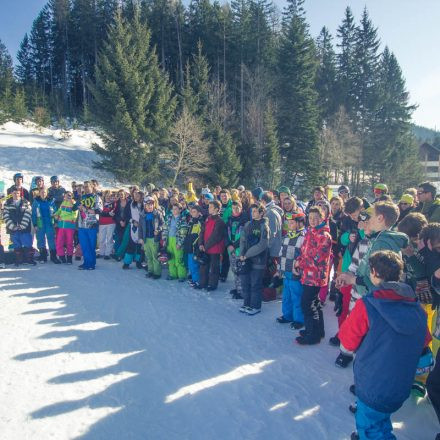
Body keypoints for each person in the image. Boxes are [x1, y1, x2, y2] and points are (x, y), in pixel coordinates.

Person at [339, 250, 429, 440]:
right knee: (379, 417)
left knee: (372, 425)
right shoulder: (417, 309)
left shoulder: (368, 305)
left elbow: (347, 341)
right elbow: (424, 341)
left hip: (373, 380)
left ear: (374, 272)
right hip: (400, 382)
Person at [295, 206, 332, 345]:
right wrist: (298, 261)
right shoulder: (310, 232)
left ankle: (312, 335)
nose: (313, 220)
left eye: (316, 218)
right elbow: (303, 251)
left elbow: (318, 257)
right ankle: (317, 330)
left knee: (307, 304)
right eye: (310, 218)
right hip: (307, 274)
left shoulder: (324, 235)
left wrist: (301, 264)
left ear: (322, 218)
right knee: (314, 302)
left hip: (316, 276)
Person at [276, 211, 306, 327]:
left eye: (292, 223)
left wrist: (300, 269)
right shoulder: (286, 236)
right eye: (289, 223)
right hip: (285, 271)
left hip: (296, 273)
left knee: (296, 296)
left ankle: (299, 319)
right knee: (286, 295)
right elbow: (281, 253)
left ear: (300, 224)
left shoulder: (303, 238)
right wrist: (279, 269)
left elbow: (304, 256)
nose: (290, 225)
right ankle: (287, 315)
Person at [239, 203, 270, 315]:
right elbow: (242, 240)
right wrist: (242, 253)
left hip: (258, 260)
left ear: (261, 213)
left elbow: (262, 244)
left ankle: (255, 306)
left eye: (255, 211)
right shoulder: (248, 224)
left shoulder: (264, 226)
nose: (253, 213)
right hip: (246, 259)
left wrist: (247, 254)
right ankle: (246, 303)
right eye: (252, 211)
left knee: (255, 283)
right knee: (245, 282)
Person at [198, 200, 226, 291]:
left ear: (217, 209)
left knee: (214, 267)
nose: (209, 209)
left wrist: (205, 246)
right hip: (205, 247)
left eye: (210, 207)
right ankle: (203, 283)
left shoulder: (220, 221)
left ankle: (212, 284)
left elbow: (216, 236)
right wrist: (201, 243)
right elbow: (202, 231)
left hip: (214, 248)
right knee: (204, 266)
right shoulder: (208, 219)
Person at [3, 189, 35, 266]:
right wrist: (12, 226)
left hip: (24, 228)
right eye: (14, 193)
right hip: (13, 228)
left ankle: (28, 259)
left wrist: (22, 225)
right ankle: (18, 260)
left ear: (20, 194)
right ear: (11, 194)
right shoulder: (7, 203)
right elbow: (6, 215)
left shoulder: (26, 202)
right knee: (17, 244)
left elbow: (28, 213)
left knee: (27, 242)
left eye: (18, 193)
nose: (16, 195)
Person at [75, 181, 102, 270]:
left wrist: (86, 209)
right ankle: (87, 262)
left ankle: (91, 263)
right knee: (84, 245)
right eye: (84, 187)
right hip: (82, 224)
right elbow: (74, 207)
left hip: (92, 224)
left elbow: (99, 210)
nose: (86, 188)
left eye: (87, 186)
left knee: (91, 245)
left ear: (92, 187)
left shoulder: (96, 197)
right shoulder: (82, 197)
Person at [32, 187, 60, 264]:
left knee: (51, 239)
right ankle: (43, 256)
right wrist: (35, 224)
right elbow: (34, 214)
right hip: (40, 223)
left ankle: (53, 256)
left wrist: (56, 221)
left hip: (49, 223)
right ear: (39, 193)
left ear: (47, 193)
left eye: (44, 192)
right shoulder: (36, 202)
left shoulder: (51, 201)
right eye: (42, 192)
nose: (43, 194)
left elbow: (56, 212)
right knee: (40, 239)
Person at [226, 200, 248, 298]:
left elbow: (244, 236)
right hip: (231, 248)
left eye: (237, 208)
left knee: (240, 270)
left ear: (241, 208)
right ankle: (238, 288)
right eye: (233, 208)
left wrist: (234, 245)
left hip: (240, 248)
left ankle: (242, 291)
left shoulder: (245, 219)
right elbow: (226, 234)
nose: (235, 210)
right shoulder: (230, 219)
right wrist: (228, 244)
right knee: (234, 269)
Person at [139, 196, 164, 279]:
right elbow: (140, 228)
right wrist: (140, 238)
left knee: (155, 256)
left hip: (154, 238)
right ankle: (150, 271)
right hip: (146, 239)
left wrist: (158, 229)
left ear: (154, 205)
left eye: (151, 205)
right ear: (144, 205)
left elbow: (163, 224)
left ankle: (157, 272)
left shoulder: (157, 214)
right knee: (148, 256)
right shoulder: (142, 215)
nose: (149, 207)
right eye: (147, 205)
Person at [162, 203, 188, 281]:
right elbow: (165, 228)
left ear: (180, 210)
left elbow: (183, 233)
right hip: (169, 240)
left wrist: (180, 243)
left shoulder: (182, 220)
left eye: (176, 209)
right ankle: (173, 274)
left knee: (178, 259)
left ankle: (181, 275)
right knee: (170, 258)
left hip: (177, 241)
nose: (174, 210)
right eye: (173, 209)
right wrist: (164, 239)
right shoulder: (169, 218)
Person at [122, 190, 144, 269]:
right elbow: (126, 215)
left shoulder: (144, 205)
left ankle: (138, 262)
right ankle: (127, 263)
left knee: (139, 246)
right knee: (131, 245)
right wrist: (133, 221)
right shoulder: (130, 204)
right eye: (135, 196)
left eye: (138, 196)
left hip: (142, 228)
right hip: (133, 227)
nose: (136, 197)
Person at [54, 191, 78, 264]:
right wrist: (55, 215)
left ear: (72, 196)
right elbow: (59, 211)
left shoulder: (74, 204)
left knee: (69, 242)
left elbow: (74, 216)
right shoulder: (63, 203)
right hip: (61, 226)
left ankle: (69, 257)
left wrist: (62, 217)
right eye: (67, 195)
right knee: (59, 242)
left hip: (69, 226)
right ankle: (61, 256)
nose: (68, 197)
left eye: (70, 195)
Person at [183, 204, 203, 287]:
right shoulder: (191, 221)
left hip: (195, 247)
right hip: (189, 246)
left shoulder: (199, 223)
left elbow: (200, 236)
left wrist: (197, 246)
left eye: (194, 212)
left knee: (195, 266)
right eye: (191, 212)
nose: (192, 213)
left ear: (199, 213)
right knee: (190, 265)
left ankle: (197, 281)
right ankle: (194, 279)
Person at [219, 190, 233, 282]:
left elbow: (230, 220)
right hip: (218, 233)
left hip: (228, 233)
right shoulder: (218, 206)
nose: (224, 197)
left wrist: (222, 220)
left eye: (225, 195)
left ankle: (224, 274)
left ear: (229, 196)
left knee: (225, 255)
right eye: (222, 196)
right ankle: (218, 272)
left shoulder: (232, 206)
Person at [98, 190, 116, 259]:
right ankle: (101, 252)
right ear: (104, 197)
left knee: (109, 238)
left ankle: (108, 253)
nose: (108, 197)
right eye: (107, 196)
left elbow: (113, 213)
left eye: (109, 196)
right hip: (102, 223)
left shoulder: (113, 204)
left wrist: (106, 214)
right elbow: (100, 212)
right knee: (101, 239)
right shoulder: (101, 203)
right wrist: (107, 214)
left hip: (111, 223)